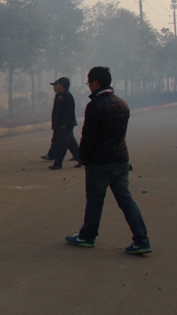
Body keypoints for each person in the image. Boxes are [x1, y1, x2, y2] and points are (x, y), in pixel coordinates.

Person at [65, 66, 151, 255]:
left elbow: (88, 137)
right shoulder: (122, 103)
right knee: (126, 201)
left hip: (101, 163)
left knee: (95, 202)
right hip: (121, 160)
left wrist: (84, 158)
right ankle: (141, 240)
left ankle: (87, 236)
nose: (89, 86)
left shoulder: (95, 105)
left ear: (96, 83)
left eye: (89, 83)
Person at [45, 77, 82, 170]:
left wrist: (64, 125)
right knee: (71, 143)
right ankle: (82, 159)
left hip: (65, 125)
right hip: (60, 125)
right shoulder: (59, 96)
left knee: (63, 144)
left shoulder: (67, 96)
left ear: (61, 85)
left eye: (56, 85)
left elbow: (68, 112)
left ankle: (58, 163)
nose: (54, 87)